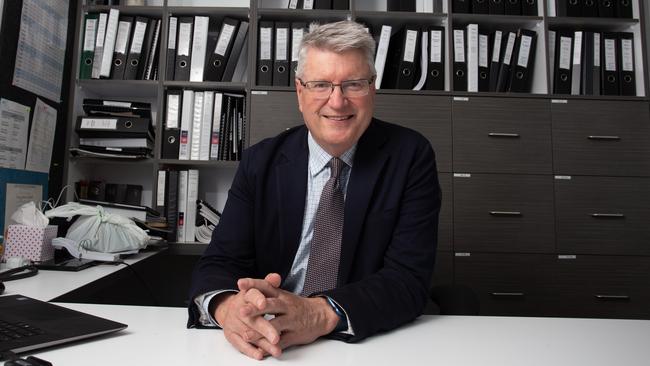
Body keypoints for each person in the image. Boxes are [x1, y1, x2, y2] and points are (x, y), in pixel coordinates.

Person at [187, 20, 441, 360]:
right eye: (321, 84)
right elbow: (219, 263)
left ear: (372, 87)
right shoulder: (260, 162)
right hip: (271, 343)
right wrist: (228, 307)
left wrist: (318, 313)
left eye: (353, 84)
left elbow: (408, 279)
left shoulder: (410, 156)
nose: (337, 102)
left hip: (365, 344)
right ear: (300, 90)